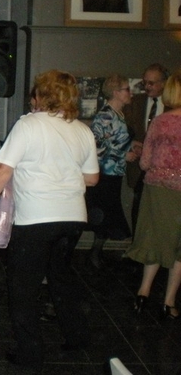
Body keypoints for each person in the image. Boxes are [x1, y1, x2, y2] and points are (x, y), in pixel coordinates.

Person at [0, 70, 99, 372]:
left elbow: (3, 170)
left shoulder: (28, 125)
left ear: (42, 95)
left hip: (37, 219)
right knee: (61, 277)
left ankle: (30, 354)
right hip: (73, 218)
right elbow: (92, 178)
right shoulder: (82, 130)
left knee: (23, 288)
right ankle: (77, 336)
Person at [125, 72, 181, 320]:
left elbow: (145, 162)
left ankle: (143, 293)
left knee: (154, 240)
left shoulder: (159, 122)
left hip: (157, 189)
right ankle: (168, 302)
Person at [85, 75, 137, 269]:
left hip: (114, 174)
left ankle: (95, 253)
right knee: (103, 215)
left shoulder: (118, 114)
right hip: (105, 175)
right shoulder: (106, 115)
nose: (130, 93)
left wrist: (132, 145)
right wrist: (123, 156)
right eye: (126, 89)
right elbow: (96, 146)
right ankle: (92, 255)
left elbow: (116, 140)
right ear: (116, 92)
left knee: (106, 216)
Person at [123, 63, 169, 233]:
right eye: (145, 83)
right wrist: (132, 143)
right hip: (139, 166)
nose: (147, 87)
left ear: (164, 83)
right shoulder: (135, 103)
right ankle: (138, 250)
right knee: (138, 210)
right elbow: (124, 130)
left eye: (152, 83)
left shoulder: (174, 107)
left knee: (162, 212)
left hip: (165, 170)